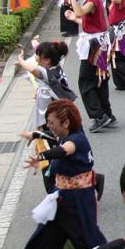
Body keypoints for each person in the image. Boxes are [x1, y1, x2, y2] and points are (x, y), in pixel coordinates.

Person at [11, 100, 125, 249]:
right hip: (59, 201)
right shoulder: (65, 134)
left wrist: (41, 156)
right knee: (44, 242)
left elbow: (63, 150)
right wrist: (36, 135)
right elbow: (54, 139)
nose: (49, 126)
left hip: (77, 204)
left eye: (52, 122)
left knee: (93, 247)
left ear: (65, 123)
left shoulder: (76, 140)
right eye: (48, 122)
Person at [17, 41, 79, 193]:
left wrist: (20, 60)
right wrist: (35, 44)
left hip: (52, 124)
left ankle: (55, 192)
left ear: (47, 60)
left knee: (51, 159)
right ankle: (83, 182)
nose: (36, 59)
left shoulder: (46, 74)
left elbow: (32, 69)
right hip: (58, 120)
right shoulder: (56, 69)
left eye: (38, 56)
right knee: (61, 156)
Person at [65, 0, 115, 132]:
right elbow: (88, 22)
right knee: (99, 80)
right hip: (98, 43)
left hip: (94, 46)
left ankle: (99, 116)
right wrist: (74, 18)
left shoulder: (92, 0)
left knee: (85, 81)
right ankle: (106, 113)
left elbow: (80, 12)